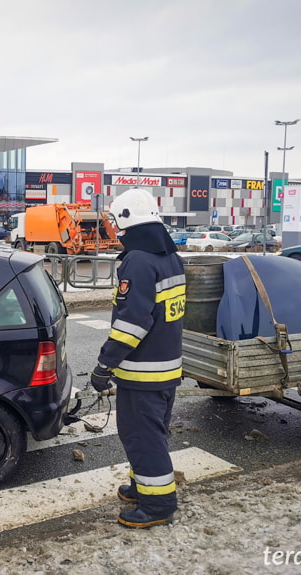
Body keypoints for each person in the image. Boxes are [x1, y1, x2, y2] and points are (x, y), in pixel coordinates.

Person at [90, 188, 185, 530]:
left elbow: (133, 324)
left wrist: (105, 365)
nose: (115, 232)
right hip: (165, 368)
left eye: (116, 224)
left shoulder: (138, 261)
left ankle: (157, 504)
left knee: (142, 437)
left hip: (143, 374)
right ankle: (141, 487)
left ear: (127, 221)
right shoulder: (168, 256)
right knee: (147, 434)